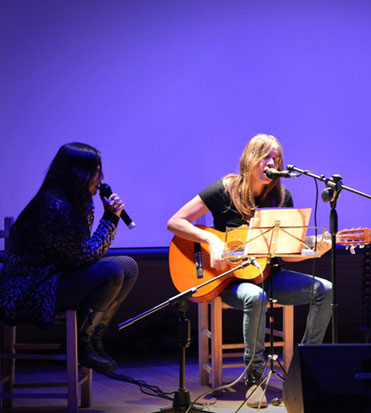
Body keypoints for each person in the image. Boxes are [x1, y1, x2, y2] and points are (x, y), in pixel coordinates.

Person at [167, 133, 333, 408]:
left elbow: (285, 254)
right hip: (229, 281)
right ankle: (254, 378)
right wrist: (210, 240)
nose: (272, 162)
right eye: (266, 156)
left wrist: (317, 249)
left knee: (324, 289)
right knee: (255, 296)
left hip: (270, 276)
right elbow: (175, 222)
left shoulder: (282, 196)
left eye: (277, 157)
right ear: (250, 158)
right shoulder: (225, 189)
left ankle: (303, 371)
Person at [0, 142, 138, 372]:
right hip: (33, 289)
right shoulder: (54, 205)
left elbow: (81, 255)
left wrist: (105, 216)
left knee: (129, 266)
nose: (102, 177)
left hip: (58, 276)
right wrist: (111, 219)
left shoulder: (79, 200)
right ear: (78, 173)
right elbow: (85, 255)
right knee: (113, 272)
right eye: (97, 171)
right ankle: (82, 344)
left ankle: (94, 337)